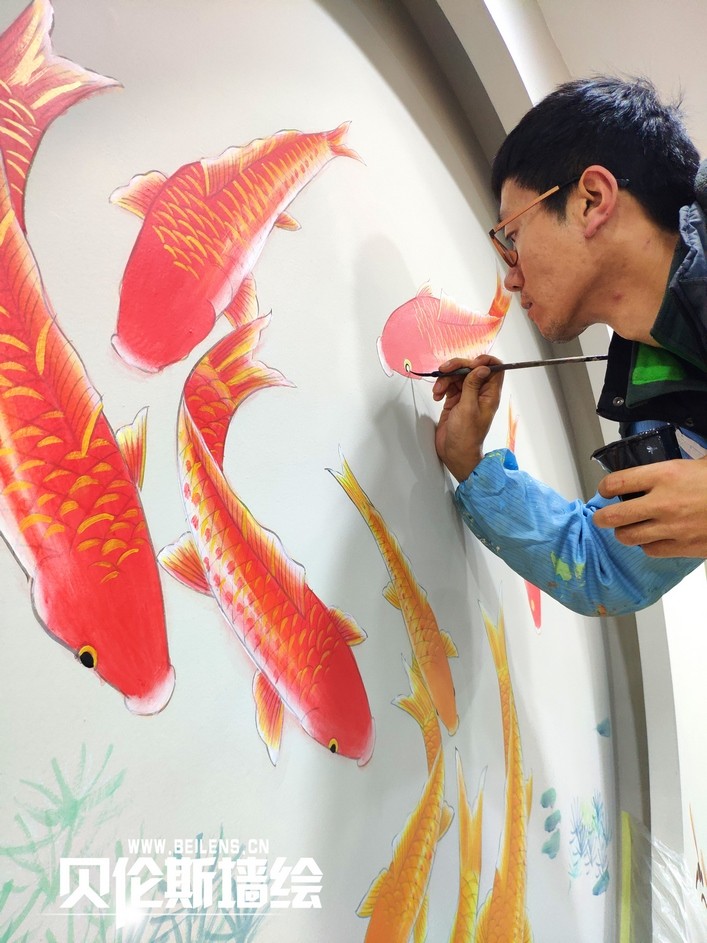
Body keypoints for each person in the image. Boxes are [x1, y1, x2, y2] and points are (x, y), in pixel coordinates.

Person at [433, 77, 707, 617]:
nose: (511, 277)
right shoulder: (662, 398)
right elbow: (601, 565)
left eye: (513, 237)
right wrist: (471, 464)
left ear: (591, 200)